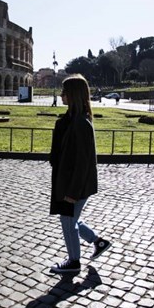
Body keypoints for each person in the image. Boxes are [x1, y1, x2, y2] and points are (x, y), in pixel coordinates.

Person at [48, 74, 111, 274]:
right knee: (71, 218)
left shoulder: (81, 123)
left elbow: (83, 163)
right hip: (66, 181)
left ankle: (74, 262)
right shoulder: (71, 120)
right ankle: (98, 242)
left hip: (75, 185)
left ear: (73, 95)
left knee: (68, 221)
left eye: (64, 92)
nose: (61, 95)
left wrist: (73, 191)